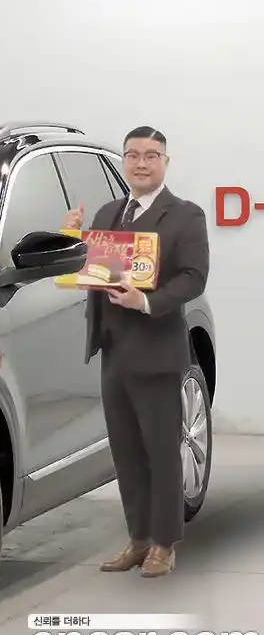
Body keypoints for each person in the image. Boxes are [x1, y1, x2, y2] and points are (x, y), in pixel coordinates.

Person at [62, 126, 210, 577]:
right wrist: (72, 239)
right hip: (113, 349)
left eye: (151, 155)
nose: (141, 163)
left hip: (157, 350)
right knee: (126, 452)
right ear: (124, 161)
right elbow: (93, 270)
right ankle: (139, 539)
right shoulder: (109, 212)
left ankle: (164, 544)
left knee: (160, 452)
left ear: (166, 162)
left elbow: (193, 277)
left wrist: (147, 302)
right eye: (132, 155)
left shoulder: (185, 215)